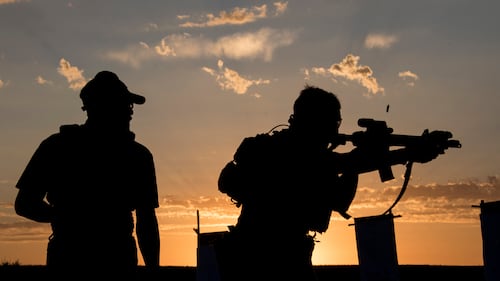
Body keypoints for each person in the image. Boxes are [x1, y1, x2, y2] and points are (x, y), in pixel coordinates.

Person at [216, 85, 447, 281]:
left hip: (248, 255)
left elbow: (342, 168)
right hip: (275, 259)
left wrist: (403, 153)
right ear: (317, 123)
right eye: (332, 122)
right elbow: (341, 190)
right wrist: (407, 154)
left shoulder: (279, 148)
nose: (335, 129)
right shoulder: (298, 155)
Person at [14, 71, 160, 279]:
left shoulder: (139, 155)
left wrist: (154, 271)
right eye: (123, 105)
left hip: (117, 260)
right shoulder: (57, 146)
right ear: (97, 108)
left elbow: (147, 220)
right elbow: (24, 203)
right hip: (71, 258)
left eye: (129, 106)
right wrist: (68, 218)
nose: (130, 113)